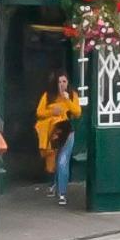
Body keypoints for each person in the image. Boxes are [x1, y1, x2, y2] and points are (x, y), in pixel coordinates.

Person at [35, 71, 81, 206]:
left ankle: (62, 193)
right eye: (59, 82)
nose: (62, 85)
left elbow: (77, 112)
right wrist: (51, 112)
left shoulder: (72, 95)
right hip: (52, 131)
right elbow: (39, 112)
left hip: (66, 131)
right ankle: (53, 183)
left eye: (64, 82)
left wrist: (67, 100)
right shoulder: (48, 96)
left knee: (62, 161)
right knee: (52, 159)